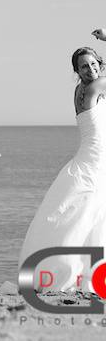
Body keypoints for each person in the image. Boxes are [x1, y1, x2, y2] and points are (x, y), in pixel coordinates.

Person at [18, 39, 106, 291]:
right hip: (96, 161)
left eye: (93, 64)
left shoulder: (83, 88)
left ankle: (90, 272)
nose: (91, 70)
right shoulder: (94, 88)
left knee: (91, 217)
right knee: (86, 215)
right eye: (84, 67)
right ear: (77, 72)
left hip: (93, 159)